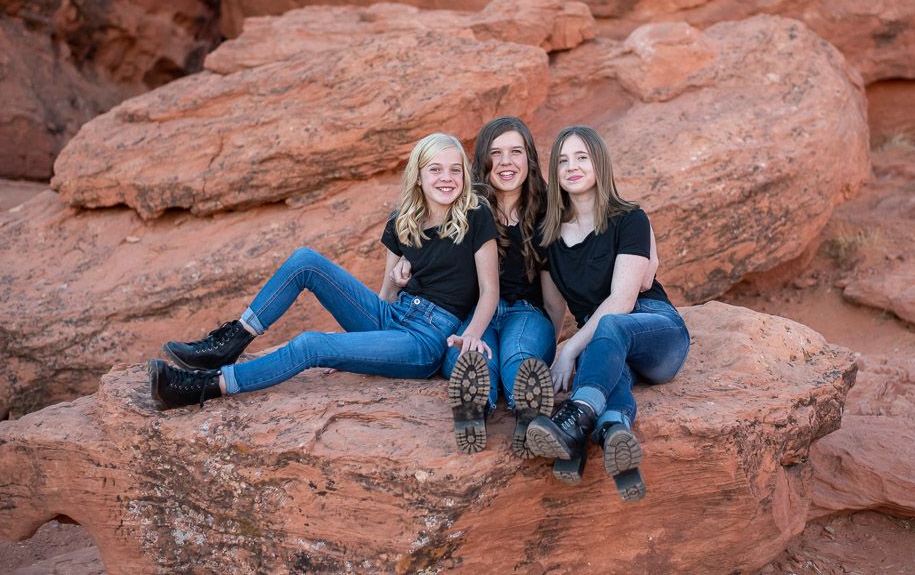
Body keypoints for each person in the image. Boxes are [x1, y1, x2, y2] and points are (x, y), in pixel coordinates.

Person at [149, 133, 499, 410]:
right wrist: (362, 344)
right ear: (419, 176)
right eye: (435, 169)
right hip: (393, 316)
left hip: (425, 339)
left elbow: (489, 291)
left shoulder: (475, 215)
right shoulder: (402, 221)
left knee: (311, 344)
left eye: (455, 169)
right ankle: (233, 339)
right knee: (305, 260)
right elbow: (386, 297)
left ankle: (206, 386)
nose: (446, 178)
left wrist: (474, 332)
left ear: (464, 176)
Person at [525, 125, 690, 502]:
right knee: (600, 360)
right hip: (604, 342)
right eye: (563, 161)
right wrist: (551, 360)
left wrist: (569, 349)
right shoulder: (548, 236)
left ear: (599, 163)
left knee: (607, 329)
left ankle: (576, 419)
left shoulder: (629, 219)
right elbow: (553, 307)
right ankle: (614, 429)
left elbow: (622, 300)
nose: (572, 167)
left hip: (656, 331)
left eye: (582, 157)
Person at [393, 117, 564, 456]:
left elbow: (554, 298)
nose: (505, 162)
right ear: (482, 161)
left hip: (526, 313)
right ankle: (473, 408)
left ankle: (528, 412)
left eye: (515, 151)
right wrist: (406, 265)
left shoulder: (547, 213)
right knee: (471, 355)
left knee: (519, 353)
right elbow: (427, 241)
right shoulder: (464, 207)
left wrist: (552, 347)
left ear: (529, 158)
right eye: (495, 153)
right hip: (474, 314)